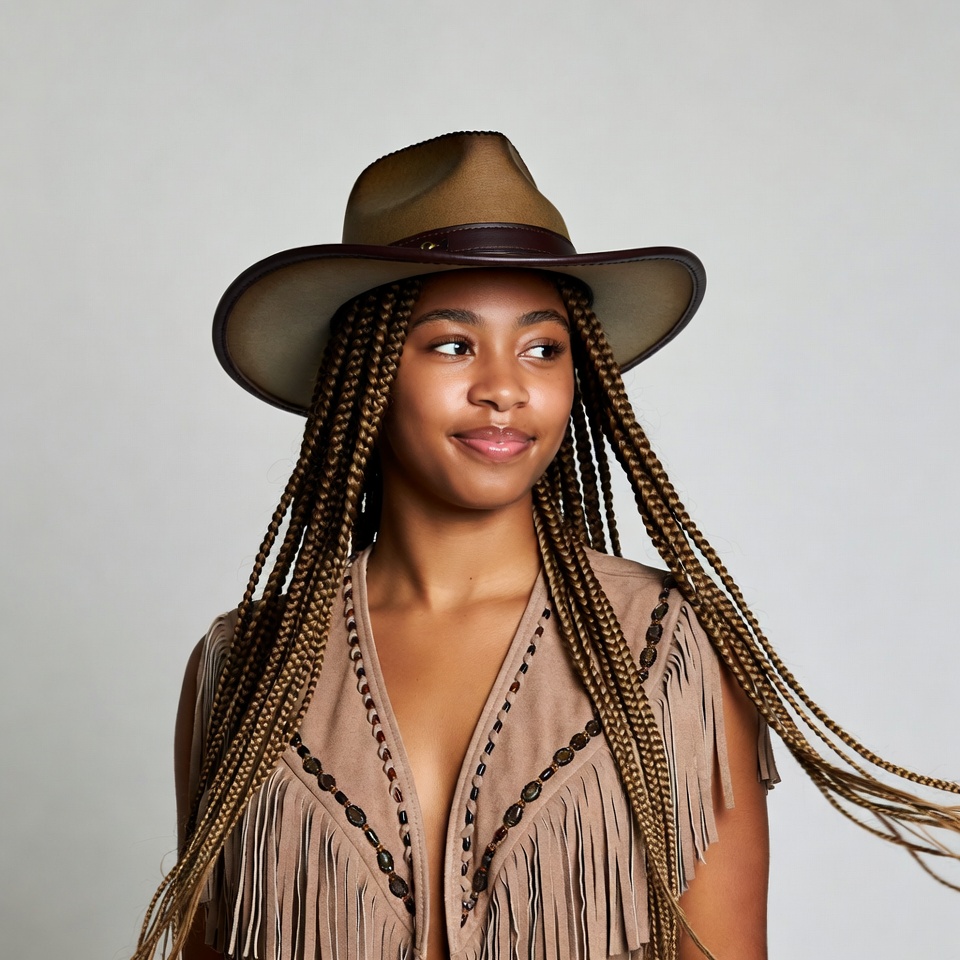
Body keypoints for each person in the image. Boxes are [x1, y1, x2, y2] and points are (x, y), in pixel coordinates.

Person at [134, 132, 960, 960]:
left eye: (543, 347)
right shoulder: (244, 666)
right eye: (453, 344)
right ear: (368, 370)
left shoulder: (673, 654)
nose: (504, 386)